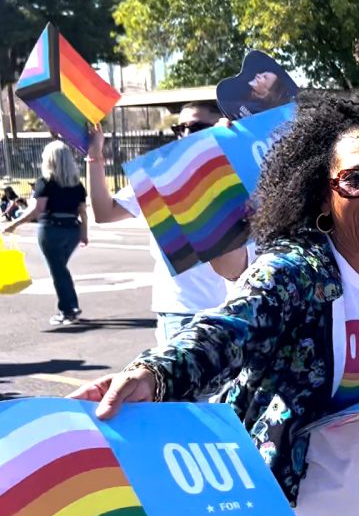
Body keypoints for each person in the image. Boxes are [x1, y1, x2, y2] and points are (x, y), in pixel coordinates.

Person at [69, 89, 359, 516]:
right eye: (355, 179)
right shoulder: (294, 271)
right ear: (323, 191)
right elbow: (229, 328)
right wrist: (153, 374)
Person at [86, 101, 250, 346]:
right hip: (179, 312)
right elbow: (104, 212)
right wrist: (94, 155)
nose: (184, 135)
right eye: (179, 128)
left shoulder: (243, 170)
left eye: (194, 127)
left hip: (231, 312)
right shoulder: (162, 173)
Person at [3, 141, 88, 324]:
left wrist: (13, 224)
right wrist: (84, 233)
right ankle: (69, 307)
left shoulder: (45, 183)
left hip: (51, 229)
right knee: (60, 269)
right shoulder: (77, 185)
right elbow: (83, 212)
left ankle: (69, 309)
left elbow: (37, 210)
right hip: (72, 229)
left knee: (58, 270)